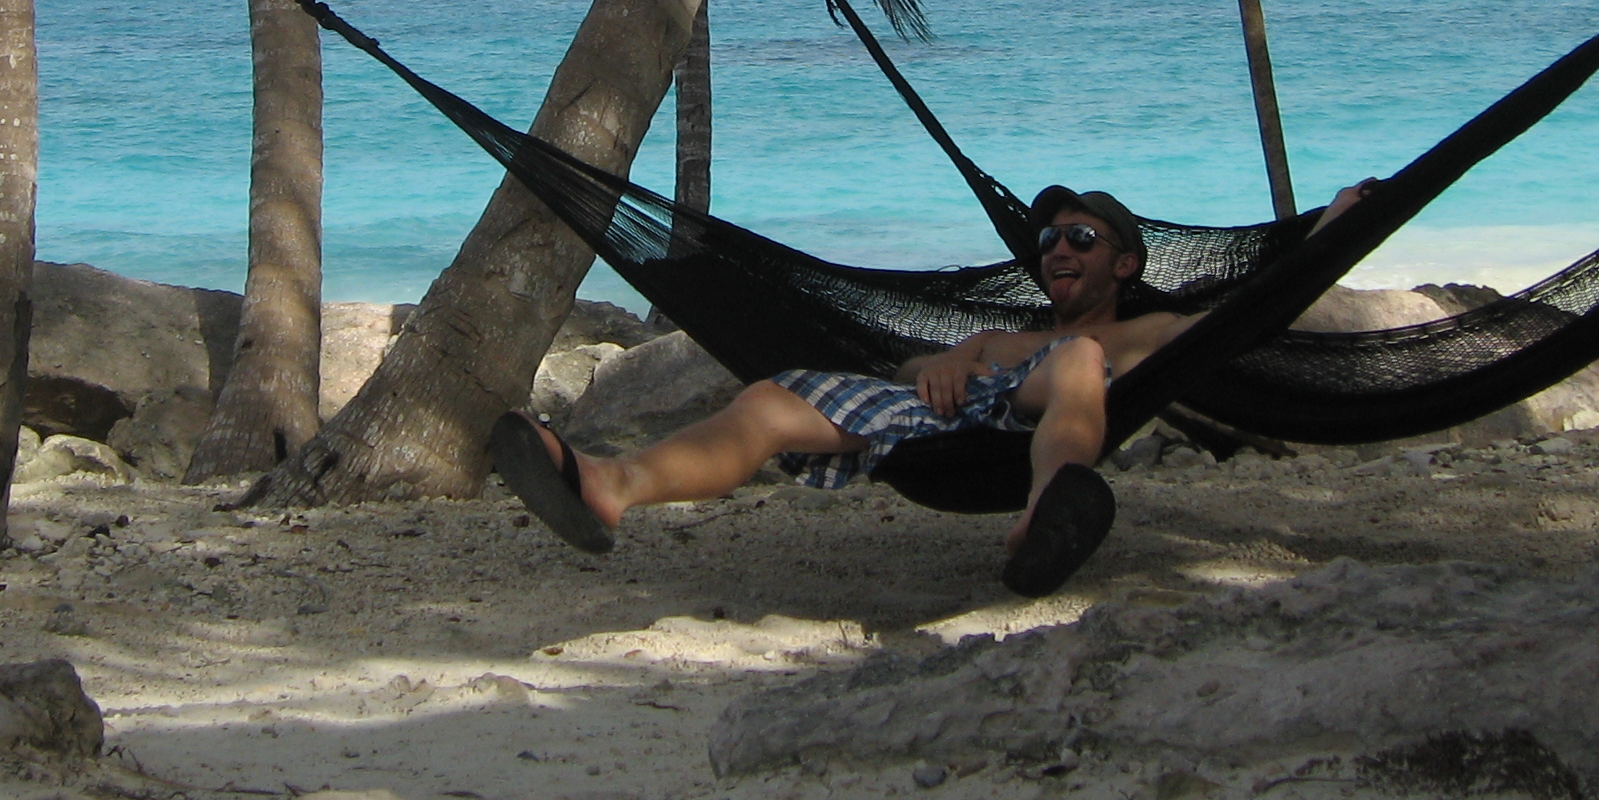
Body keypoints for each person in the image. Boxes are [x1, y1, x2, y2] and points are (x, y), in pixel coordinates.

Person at [488, 179, 1375, 599]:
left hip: (1042, 417)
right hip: (946, 420)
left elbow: (1251, 312)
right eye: (1049, 242)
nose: (1058, 250)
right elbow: (914, 372)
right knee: (769, 399)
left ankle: (1047, 512)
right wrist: (937, 367)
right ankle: (611, 485)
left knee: (1076, 362)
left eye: (1081, 237)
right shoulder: (1001, 336)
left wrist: (1329, 232)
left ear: (1125, 264)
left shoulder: (1150, 334)